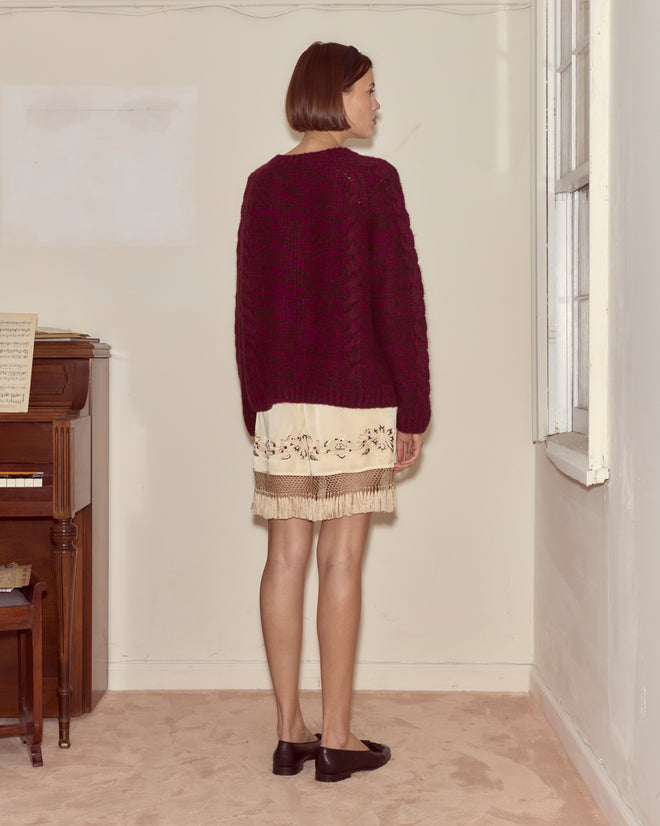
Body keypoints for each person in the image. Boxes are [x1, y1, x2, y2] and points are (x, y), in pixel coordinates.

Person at [235, 41, 431, 783]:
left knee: (283, 558)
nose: (377, 104)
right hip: (357, 398)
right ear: (335, 96)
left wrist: (256, 405)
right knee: (340, 560)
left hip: (283, 403)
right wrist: (415, 405)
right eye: (369, 89)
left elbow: (249, 309)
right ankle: (337, 738)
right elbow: (398, 300)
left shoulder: (262, 185)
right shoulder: (373, 181)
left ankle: (289, 731)